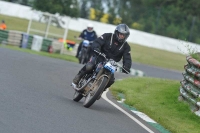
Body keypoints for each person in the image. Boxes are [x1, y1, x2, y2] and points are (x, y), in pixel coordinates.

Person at [72, 24, 132, 89]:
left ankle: (100, 90)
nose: (122, 36)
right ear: (117, 32)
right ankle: (77, 78)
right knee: (90, 66)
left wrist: (127, 67)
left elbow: (127, 58)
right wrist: (96, 48)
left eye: (124, 35)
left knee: (111, 80)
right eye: (121, 34)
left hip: (111, 64)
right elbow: (97, 42)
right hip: (99, 57)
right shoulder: (107, 36)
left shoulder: (126, 47)